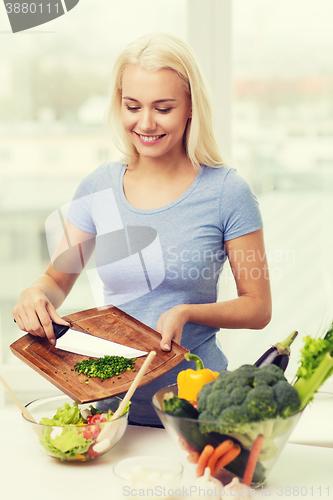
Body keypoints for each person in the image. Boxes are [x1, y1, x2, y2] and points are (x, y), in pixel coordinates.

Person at [13, 33, 272, 426]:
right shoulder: (98, 187)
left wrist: (187, 311)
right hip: (109, 409)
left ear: (190, 108)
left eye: (163, 108)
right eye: (132, 106)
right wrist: (34, 295)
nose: (145, 123)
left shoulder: (228, 192)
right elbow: (56, 278)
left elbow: (258, 306)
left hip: (196, 409)